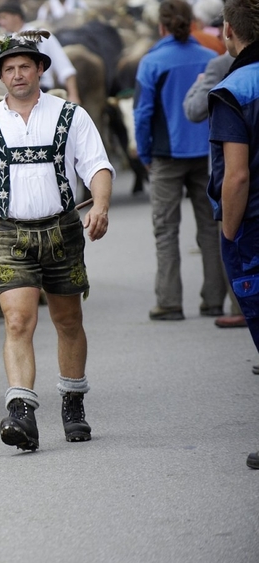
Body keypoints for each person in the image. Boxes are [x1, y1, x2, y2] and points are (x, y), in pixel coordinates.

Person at [0, 32, 113, 452]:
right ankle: (21, 410)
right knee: (18, 321)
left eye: (25, 66)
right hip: (9, 234)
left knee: (68, 320)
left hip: (62, 230)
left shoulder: (71, 115)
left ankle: (73, 402)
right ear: (0, 76)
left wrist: (99, 204)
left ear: (41, 69)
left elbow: (97, 165)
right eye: (9, 69)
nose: (18, 74)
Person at [134, 0, 224, 322]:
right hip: (208, 154)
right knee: (211, 229)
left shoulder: (152, 62)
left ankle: (169, 302)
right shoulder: (210, 57)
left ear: (161, 26)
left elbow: (143, 113)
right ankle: (214, 300)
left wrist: (144, 153)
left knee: (166, 231)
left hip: (166, 155)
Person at [205, 0, 259, 468]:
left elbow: (236, 176)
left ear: (228, 31)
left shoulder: (232, 90)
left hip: (254, 226)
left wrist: (229, 229)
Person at [184, 52, 245, 329]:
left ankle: (238, 306)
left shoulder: (219, 65)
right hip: (210, 160)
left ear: (229, 29)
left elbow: (194, 109)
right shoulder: (209, 53)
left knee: (230, 235)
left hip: (229, 166)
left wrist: (199, 84)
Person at [0, 4, 80, 105]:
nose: (0, 22)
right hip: (14, 98)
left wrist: (73, 95)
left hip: (46, 94)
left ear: (16, 16)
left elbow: (65, 68)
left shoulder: (42, 36)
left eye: (4, 17)